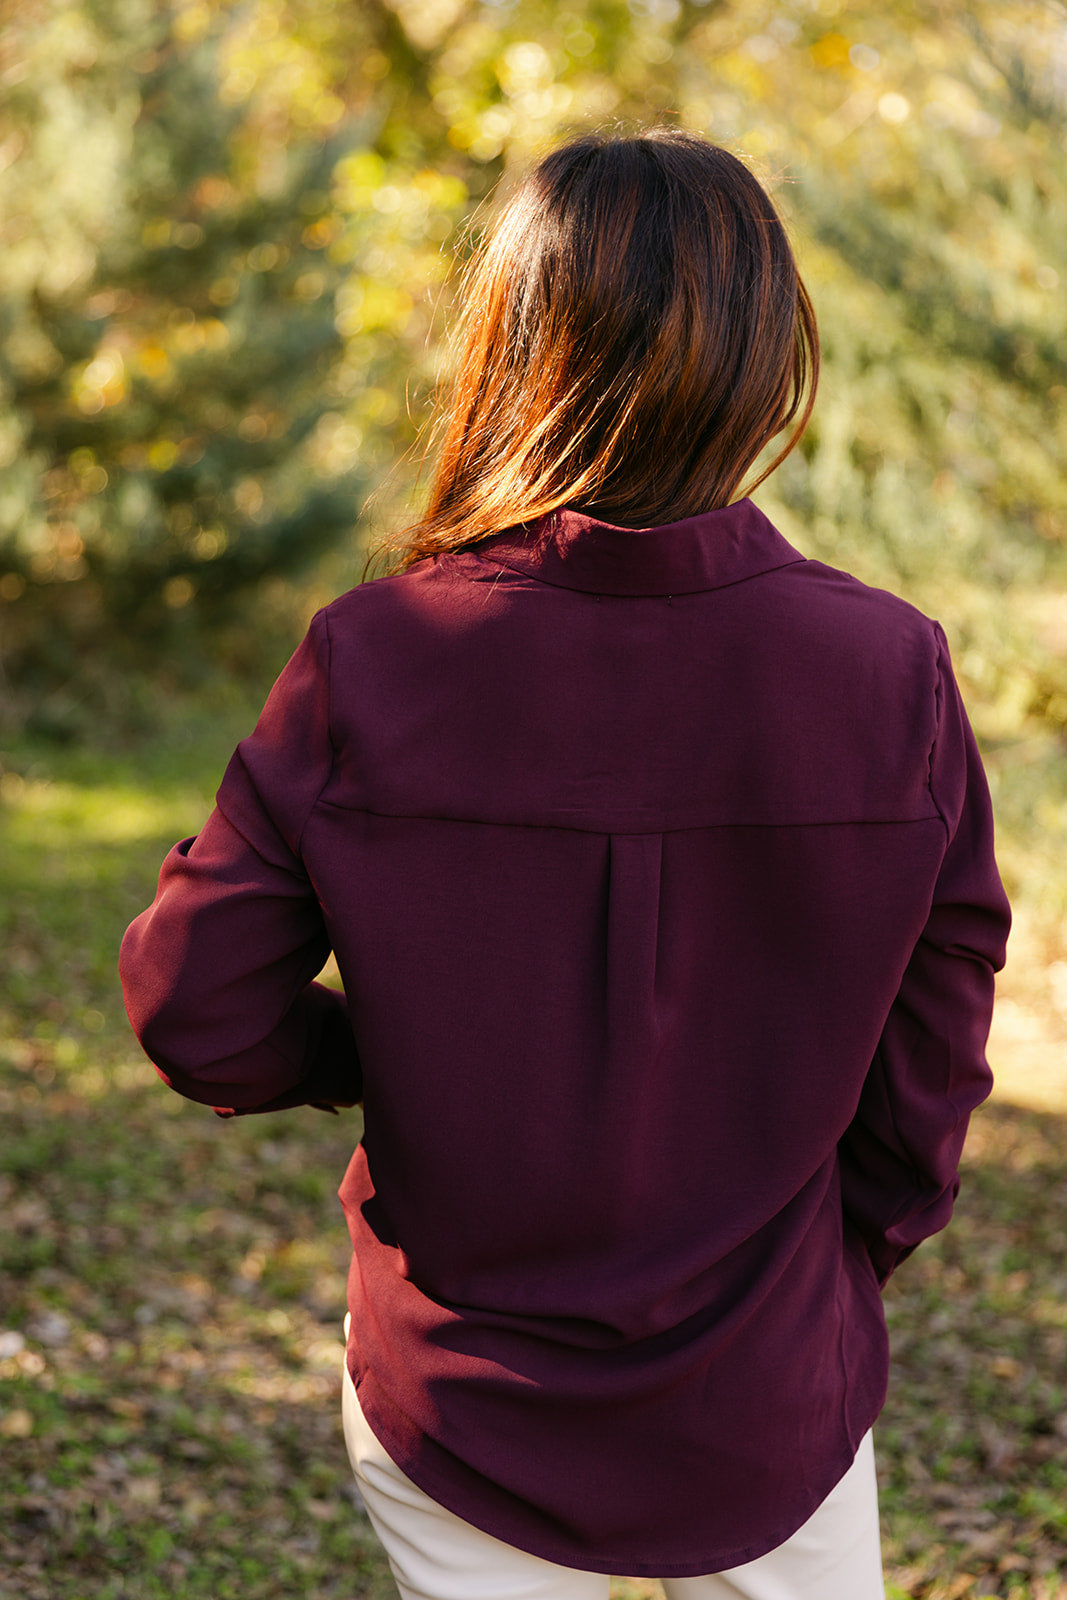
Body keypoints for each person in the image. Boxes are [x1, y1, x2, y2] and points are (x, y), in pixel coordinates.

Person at [119, 129, 1011, 1600]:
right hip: (773, 1384)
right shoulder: (886, 672)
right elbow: (939, 1029)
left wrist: (372, 1057)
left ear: (511, 345)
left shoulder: (379, 657)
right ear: (765, 358)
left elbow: (193, 1000)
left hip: (461, 1393)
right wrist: (854, 1250)